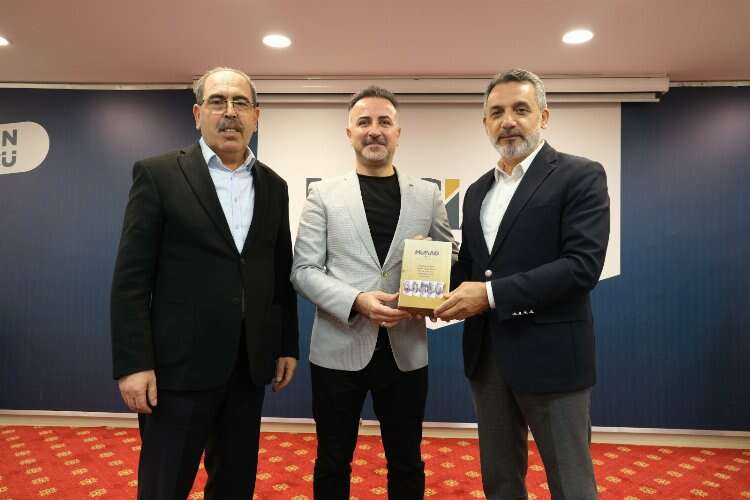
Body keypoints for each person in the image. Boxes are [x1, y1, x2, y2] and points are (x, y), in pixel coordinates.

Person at [110, 66, 299, 500]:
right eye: (217, 101)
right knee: (164, 486)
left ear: (256, 116)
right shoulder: (158, 175)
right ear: (198, 114)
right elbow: (131, 279)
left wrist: (286, 344)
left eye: (240, 103)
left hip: (248, 367)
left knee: (234, 485)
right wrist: (134, 364)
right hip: (176, 371)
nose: (229, 112)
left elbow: (278, 272)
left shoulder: (274, 186)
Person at [434, 68, 609, 500]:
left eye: (520, 109)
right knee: (500, 482)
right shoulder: (477, 191)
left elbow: (582, 266)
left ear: (543, 117)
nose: (508, 121)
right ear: (485, 123)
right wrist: (428, 270)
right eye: (496, 112)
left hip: (553, 358)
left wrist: (490, 295)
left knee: (572, 485)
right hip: (487, 360)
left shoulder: (580, 175)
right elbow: (474, 269)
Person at [291, 86, 457, 499]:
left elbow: (452, 256)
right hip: (338, 348)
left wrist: (433, 258)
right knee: (332, 460)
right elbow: (304, 270)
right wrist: (356, 301)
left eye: (385, 121)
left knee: (407, 460)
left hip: (406, 350)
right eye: (364, 121)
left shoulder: (428, 195)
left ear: (398, 132)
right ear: (349, 132)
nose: (374, 130)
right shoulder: (322, 194)